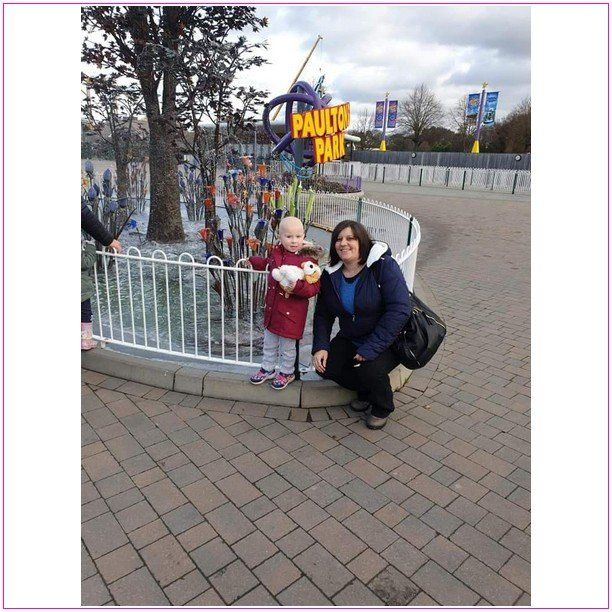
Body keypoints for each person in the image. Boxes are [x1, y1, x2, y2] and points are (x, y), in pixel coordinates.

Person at [312, 220, 411, 429]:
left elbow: (400, 309)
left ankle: (382, 405)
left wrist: (371, 347)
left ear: (362, 241)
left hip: (387, 339)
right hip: (352, 336)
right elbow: (323, 314)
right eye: (338, 239)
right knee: (325, 367)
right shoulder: (331, 275)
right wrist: (321, 346)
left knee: (368, 369)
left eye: (350, 238)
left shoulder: (382, 266)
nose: (343, 243)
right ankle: (365, 391)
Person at [248, 216, 321, 390]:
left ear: (303, 236)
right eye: (289, 236)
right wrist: (251, 261)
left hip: (292, 314)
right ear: (280, 236)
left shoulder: (308, 260)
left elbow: (314, 287)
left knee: (287, 347)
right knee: (269, 343)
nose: (294, 241)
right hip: (273, 309)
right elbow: (267, 264)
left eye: (298, 236)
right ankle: (267, 368)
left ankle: (287, 372)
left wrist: (297, 287)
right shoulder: (276, 253)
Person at [81, 201, 121, 350]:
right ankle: (85, 340)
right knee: (85, 312)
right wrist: (107, 241)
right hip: (82, 289)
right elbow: (85, 216)